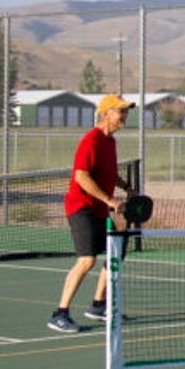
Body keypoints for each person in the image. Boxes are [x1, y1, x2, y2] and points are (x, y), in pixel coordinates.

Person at [47, 94, 135, 333]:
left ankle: (98, 305)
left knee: (117, 249)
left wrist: (127, 188)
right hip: (81, 208)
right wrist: (109, 199)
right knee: (86, 260)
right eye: (120, 111)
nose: (124, 115)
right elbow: (81, 176)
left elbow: (108, 173)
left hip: (99, 209)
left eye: (126, 111)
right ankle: (60, 314)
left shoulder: (110, 142)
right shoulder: (91, 140)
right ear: (106, 113)